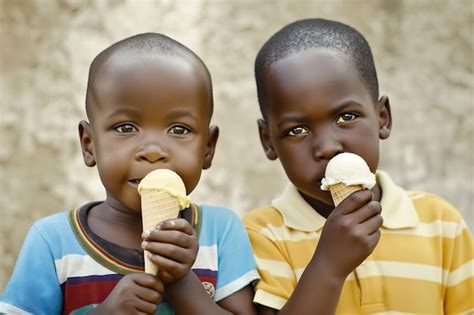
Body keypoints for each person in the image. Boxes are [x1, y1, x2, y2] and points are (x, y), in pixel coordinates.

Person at [0, 33, 259, 315]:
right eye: (125, 128)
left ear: (207, 148)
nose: (152, 150)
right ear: (89, 144)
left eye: (179, 129)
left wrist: (182, 281)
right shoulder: (52, 241)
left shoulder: (221, 232)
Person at [243, 18, 474, 314]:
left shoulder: (440, 224)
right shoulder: (262, 234)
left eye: (347, 117)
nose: (327, 146)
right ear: (268, 141)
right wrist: (328, 266)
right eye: (297, 130)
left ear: (382, 117)